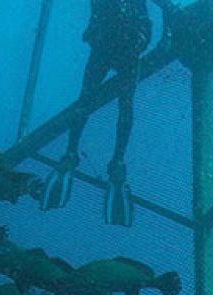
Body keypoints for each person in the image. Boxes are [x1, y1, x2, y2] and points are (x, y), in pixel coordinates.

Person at [40, 0, 153, 226]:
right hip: (120, 42)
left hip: (117, 42)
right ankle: (112, 162)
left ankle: (74, 154)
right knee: (119, 104)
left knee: (92, 100)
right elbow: (166, 8)